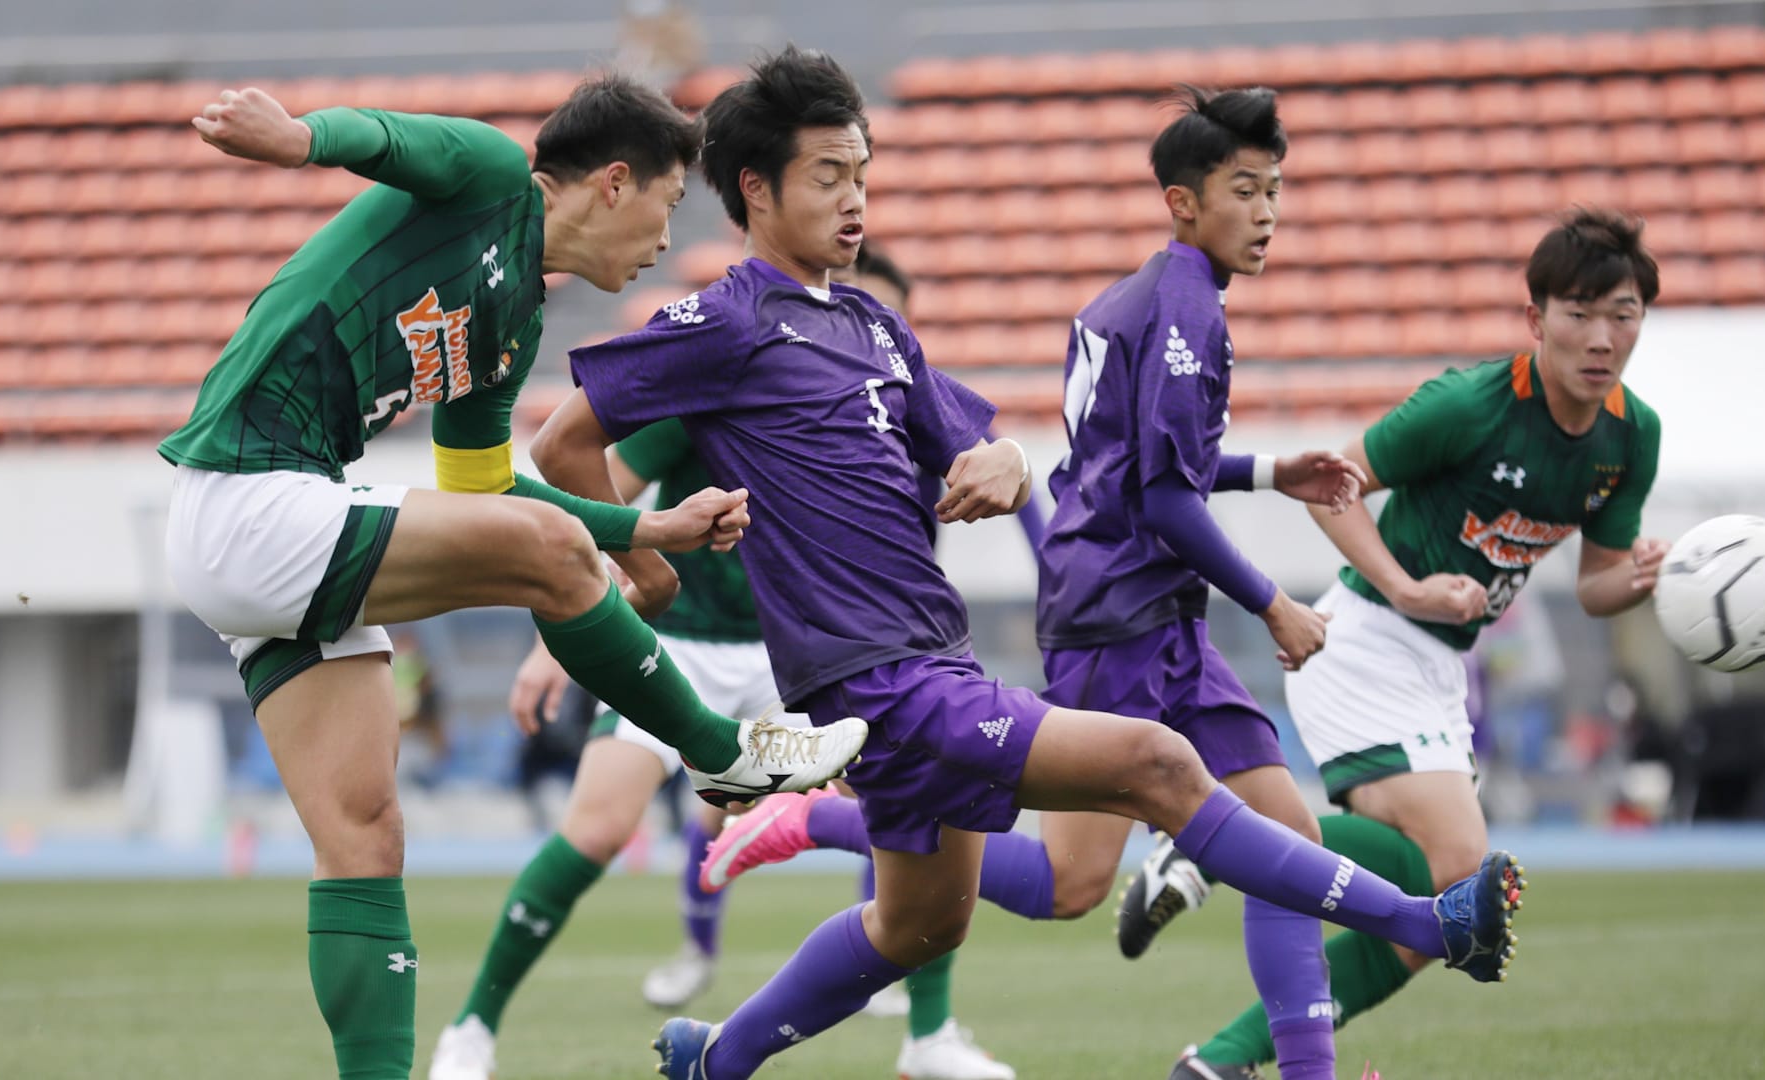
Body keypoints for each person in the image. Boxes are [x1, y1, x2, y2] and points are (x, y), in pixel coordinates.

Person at [531, 47, 1525, 1080]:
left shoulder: (874, 324)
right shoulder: (724, 318)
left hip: (932, 658)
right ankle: (1433, 920)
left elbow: (974, 453)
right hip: (871, 675)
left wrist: (1000, 462)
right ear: (755, 188)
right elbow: (563, 445)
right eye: (828, 176)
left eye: (862, 174)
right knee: (1159, 765)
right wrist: (640, 563)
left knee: (919, 929)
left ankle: (716, 1059)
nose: (854, 198)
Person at [156, 76, 866, 1080]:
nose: (665, 241)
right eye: (667, 206)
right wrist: (295, 139)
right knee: (551, 554)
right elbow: (389, 138)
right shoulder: (493, 179)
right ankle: (721, 755)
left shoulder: (517, 324)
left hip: (276, 529)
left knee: (365, 841)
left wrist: (644, 526)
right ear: (613, 183)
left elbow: (486, 485)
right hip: (251, 499)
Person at [701, 84, 1376, 1080]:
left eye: (1276, 189)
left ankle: (1284, 1060)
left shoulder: (1128, 300)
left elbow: (1110, 464)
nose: (1269, 211)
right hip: (1115, 609)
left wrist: (1272, 472)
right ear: (1185, 201)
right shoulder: (1184, 304)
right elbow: (1159, 493)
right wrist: (1274, 602)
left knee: (1284, 837)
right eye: (1249, 189)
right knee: (1072, 882)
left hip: (1142, 604)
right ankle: (813, 818)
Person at [429, 245, 1015, 1080]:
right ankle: (473, 1027)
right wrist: (554, 638)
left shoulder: (891, 407)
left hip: (809, 656)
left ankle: (929, 1035)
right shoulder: (719, 380)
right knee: (596, 828)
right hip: (683, 647)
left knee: (920, 804)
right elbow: (596, 497)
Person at [1142, 208, 1667, 1080]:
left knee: (1435, 912)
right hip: (1365, 640)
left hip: (1435, 667)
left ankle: (1220, 1059)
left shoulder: (1630, 436)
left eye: (1623, 314)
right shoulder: (1470, 404)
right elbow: (1331, 489)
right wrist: (1406, 586)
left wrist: (1655, 578)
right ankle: (1218, 837)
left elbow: (1597, 583)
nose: (1602, 336)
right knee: (1464, 881)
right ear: (1536, 320)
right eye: (1578, 313)